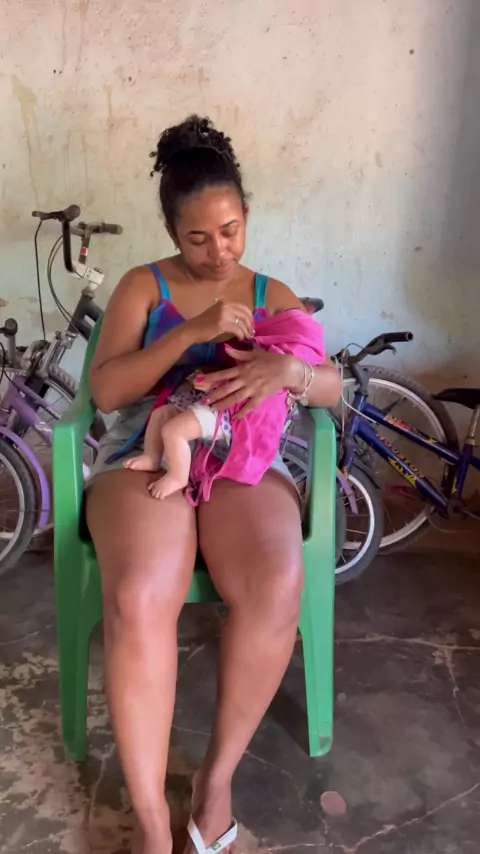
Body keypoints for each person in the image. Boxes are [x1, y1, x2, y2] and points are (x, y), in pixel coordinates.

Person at [86, 115, 341, 854]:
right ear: (172, 230)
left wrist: (289, 372)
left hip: (240, 453)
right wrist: (188, 332)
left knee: (276, 581)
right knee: (139, 594)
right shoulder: (143, 286)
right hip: (147, 443)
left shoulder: (272, 291)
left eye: (230, 231)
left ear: (246, 216)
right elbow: (106, 392)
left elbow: (332, 388)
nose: (218, 251)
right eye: (198, 238)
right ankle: (152, 823)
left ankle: (215, 785)